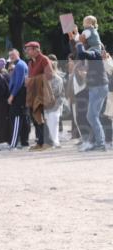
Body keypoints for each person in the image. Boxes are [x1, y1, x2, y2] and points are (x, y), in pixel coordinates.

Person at [70, 17, 109, 151]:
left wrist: (79, 42)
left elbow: (81, 53)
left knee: (92, 116)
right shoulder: (94, 50)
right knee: (92, 116)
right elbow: (79, 47)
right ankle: (98, 142)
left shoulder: (95, 52)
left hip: (99, 87)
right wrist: (75, 35)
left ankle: (101, 143)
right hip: (96, 86)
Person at [23, 43, 55, 151]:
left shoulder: (44, 59)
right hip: (33, 94)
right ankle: (41, 142)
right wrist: (28, 81)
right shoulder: (30, 62)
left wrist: (31, 80)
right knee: (35, 118)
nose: (26, 52)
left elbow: (50, 75)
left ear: (36, 50)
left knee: (40, 118)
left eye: (28, 49)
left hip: (42, 93)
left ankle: (48, 142)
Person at [7, 48, 30, 149]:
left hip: (19, 95)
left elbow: (19, 82)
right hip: (21, 95)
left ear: (18, 54)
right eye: (10, 55)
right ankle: (24, 142)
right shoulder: (21, 64)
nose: (11, 57)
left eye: (13, 54)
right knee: (23, 118)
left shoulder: (20, 65)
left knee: (16, 118)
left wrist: (12, 95)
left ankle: (13, 144)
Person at [44, 54, 64, 149]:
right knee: (48, 124)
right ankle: (50, 141)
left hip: (55, 105)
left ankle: (55, 142)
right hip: (46, 105)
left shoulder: (58, 79)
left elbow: (56, 92)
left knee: (54, 123)